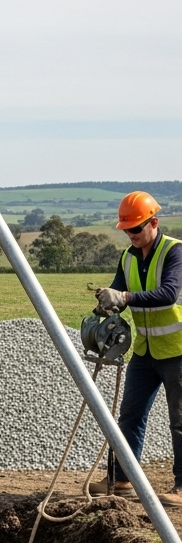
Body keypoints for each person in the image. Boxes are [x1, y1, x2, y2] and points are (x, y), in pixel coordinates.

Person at [93, 190, 182, 507]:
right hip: (145, 352)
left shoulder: (175, 253)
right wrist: (107, 305)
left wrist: (126, 299)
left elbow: (169, 294)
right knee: (129, 415)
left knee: (180, 420)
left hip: (178, 351)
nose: (130, 235)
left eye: (135, 229)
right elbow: (119, 290)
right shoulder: (128, 257)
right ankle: (121, 478)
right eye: (126, 230)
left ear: (154, 223)